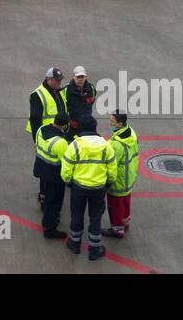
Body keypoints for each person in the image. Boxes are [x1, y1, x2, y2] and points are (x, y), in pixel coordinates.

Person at [60, 119, 118, 261]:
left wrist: (69, 182)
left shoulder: (74, 146)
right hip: (98, 188)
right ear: (95, 128)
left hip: (79, 187)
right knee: (96, 217)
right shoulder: (106, 146)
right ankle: (94, 248)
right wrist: (108, 184)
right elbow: (112, 170)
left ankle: (74, 243)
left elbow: (66, 170)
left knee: (77, 215)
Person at [32, 113, 72, 239]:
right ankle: (50, 229)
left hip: (41, 169)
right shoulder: (60, 143)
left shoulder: (41, 130)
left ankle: (47, 219)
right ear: (65, 125)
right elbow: (66, 162)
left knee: (47, 198)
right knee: (54, 202)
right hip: (54, 176)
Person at [105, 111, 139, 239]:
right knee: (126, 201)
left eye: (112, 121)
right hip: (129, 176)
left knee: (115, 205)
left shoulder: (116, 145)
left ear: (119, 124)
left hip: (119, 179)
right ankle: (125, 223)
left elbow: (111, 163)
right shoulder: (131, 133)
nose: (110, 123)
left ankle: (117, 229)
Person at [28, 67, 69, 140]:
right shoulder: (37, 95)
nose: (59, 82)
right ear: (49, 79)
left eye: (60, 80)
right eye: (57, 80)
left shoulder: (58, 91)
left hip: (60, 134)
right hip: (46, 135)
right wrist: (36, 140)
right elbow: (35, 120)